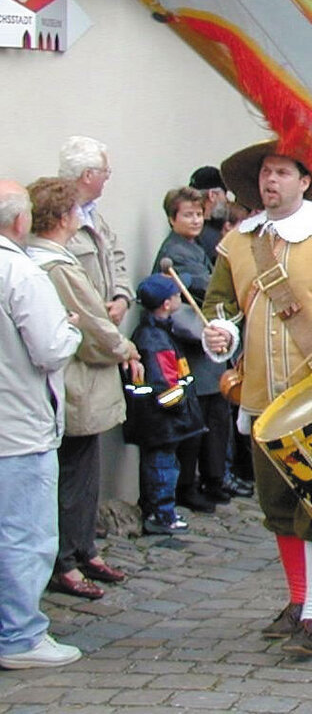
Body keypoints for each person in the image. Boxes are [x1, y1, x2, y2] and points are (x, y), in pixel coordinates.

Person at [201, 141, 312, 659]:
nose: (269, 181)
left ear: (305, 180)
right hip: (260, 396)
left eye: (281, 172)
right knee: (278, 508)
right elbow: (221, 304)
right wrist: (220, 333)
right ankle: (298, 601)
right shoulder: (238, 242)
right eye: (264, 174)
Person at [25, 178, 140, 602]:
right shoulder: (55, 264)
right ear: (61, 217)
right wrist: (124, 347)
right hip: (76, 382)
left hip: (80, 380)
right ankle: (67, 559)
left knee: (83, 472)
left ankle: (82, 549)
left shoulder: (52, 259)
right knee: (74, 473)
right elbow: (93, 324)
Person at [0, 180, 84, 670]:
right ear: (20, 222)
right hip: (18, 424)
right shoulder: (20, 271)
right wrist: (70, 325)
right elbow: (50, 348)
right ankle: (19, 636)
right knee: (23, 534)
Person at [152, 186, 233, 511]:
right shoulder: (175, 253)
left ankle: (213, 478)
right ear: (173, 219)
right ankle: (190, 484)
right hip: (193, 343)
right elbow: (202, 287)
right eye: (188, 214)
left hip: (207, 344)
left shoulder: (193, 246)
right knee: (196, 421)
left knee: (214, 416)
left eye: (199, 214)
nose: (196, 220)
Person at [127, 274, 206, 535]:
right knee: (162, 468)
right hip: (162, 421)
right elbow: (165, 387)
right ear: (165, 303)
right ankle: (161, 514)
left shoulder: (159, 332)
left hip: (161, 420)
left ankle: (159, 509)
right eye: (174, 295)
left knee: (162, 465)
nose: (178, 298)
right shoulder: (154, 339)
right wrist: (181, 408)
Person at [58, 135, 132, 326]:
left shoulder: (95, 217)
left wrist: (122, 298)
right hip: (81, 332)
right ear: (87, 175)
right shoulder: (57, 221)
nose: (108, 176)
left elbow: (117, 259)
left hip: (106, 330)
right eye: (105, 171)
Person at [189, 165, 229, 254]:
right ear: (212, 195)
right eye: (224, 194)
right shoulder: (210, 239)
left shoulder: (187, 230)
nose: (226, 200)